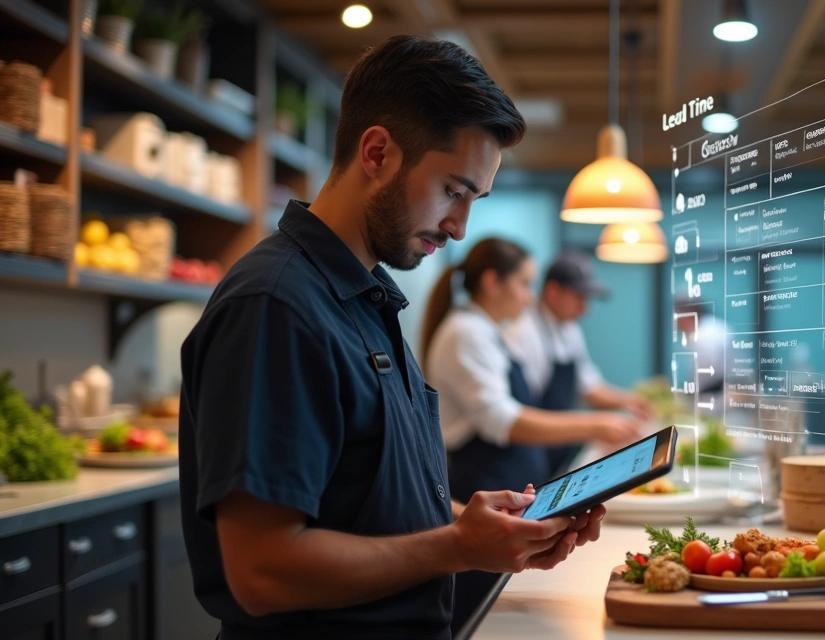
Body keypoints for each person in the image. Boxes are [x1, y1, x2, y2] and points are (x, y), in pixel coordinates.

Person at [178, 36, 604, 640]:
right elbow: (263, 570)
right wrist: (457, 546)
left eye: (472, 199)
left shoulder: (364, 294)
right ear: (376, 152)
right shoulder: (277, 304)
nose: (460, 227)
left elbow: (367, 506)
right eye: (454, 190)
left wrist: (489, 533)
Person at [422, 238, 645, 633]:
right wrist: (594, 424)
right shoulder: (465, 333)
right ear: (492, 282)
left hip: (508, 484)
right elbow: (500, 419)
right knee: (482, 620)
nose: (529, 298)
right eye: (524, 284)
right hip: (482, 486)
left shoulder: (486, 331)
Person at [504, 250, 655, 475]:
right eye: (579, 297)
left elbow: (588, 385)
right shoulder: (523, 333)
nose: (585, 308)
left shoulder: (570, 329)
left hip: (559, 449)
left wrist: (628, 402)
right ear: (553, 292)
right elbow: (520, 414)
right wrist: (594, 425)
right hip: (527, 454)